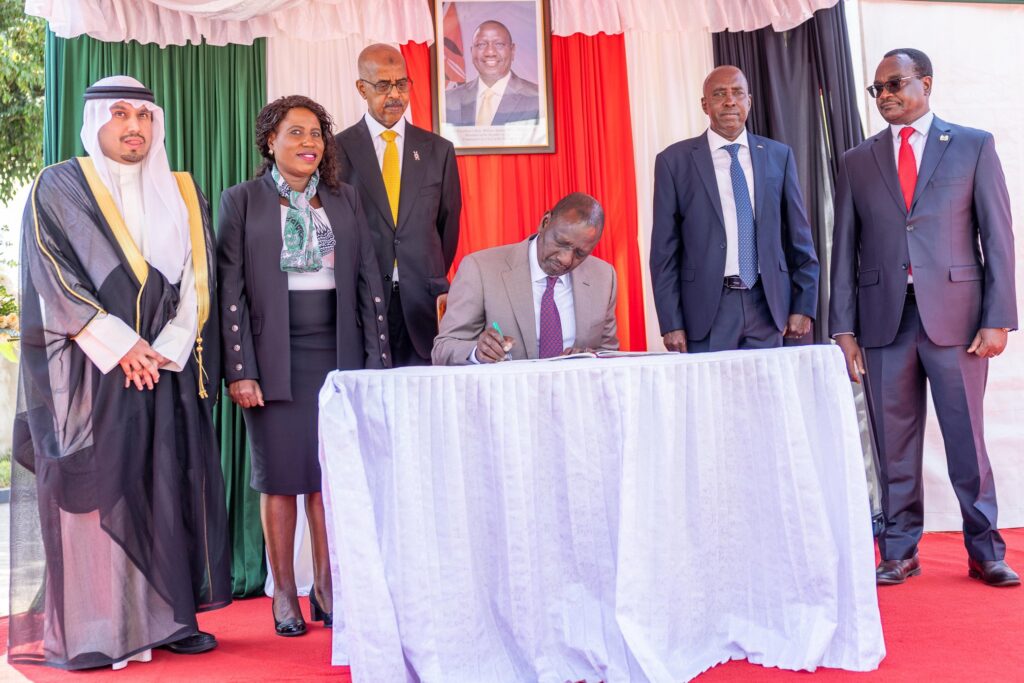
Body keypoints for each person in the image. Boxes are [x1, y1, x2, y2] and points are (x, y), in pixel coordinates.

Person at [10, 75, 231, 669]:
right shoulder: (61, 185)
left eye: (144, 116)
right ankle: (103, 623)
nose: (135, 126)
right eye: (121, 114)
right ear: (97, 122)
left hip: (167, 368)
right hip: (98, 369)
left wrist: (170, 346)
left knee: (167, 483)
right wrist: (121, 345)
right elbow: (51, 271)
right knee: (106, 486)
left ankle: (171, 617)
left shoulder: (183, 190)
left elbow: (198, 279)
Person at [830, 49, 1018, 587]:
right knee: (893, 443)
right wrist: (843, 329)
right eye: (877, 89)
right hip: (883, 321)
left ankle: (985, 550)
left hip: (958, 321)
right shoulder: (857, 160)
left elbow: (997, 238)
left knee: (967, 440)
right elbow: (844, 248)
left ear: (925, 83)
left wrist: (998, 317)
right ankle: (899, 550)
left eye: (894, 84)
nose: (885, 94)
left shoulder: (972, 145)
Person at [218, 95, 391, 636]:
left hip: (336, 356)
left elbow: (367, 279)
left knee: (327, 480)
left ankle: (327, 586)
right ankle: (285, 594)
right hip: (272, 360)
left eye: (316, 134)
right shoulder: (241, 201)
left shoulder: (345, 200)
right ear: (270, 141)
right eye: (295, 133)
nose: (308, 143)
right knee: (280, 480)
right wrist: (240, 369)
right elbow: (231, 292)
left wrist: (373, 365)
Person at [650, 65, 819, 353]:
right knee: (712, 398)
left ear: (749, 102)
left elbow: (799, 238)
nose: (730, 101)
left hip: (768, 306)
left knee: (768, 397)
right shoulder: (673, 162)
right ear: (705, 105)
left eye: (737, 93)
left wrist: (804, 304)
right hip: (706, 310)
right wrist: (671, 321)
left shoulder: (779, 156)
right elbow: (664, 251)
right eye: (719, 94)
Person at [336, 44, 462, 366]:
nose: (395, 94)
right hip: (364, 301)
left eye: (402, 83)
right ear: (361, 88)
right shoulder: (337, 151)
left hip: (423, 301)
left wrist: (419, 269)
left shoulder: (438, 150)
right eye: (383, 85)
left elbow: (447, 228)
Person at [433, 192, 618, 364]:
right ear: (545, 222)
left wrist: (589, 357)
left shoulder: (603, 277)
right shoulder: (480, 269)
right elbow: (443, 348)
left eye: (580, 253)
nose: (566, 259)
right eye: (561, 243)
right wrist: (478, 352)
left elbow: (610, 354)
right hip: (506, 394)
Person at [444, 20, 541, 126]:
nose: (490, 52)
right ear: (472, 52)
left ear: (512, 51)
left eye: (499, 44)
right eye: (481, 45)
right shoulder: (448, 100)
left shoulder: (538, 98)